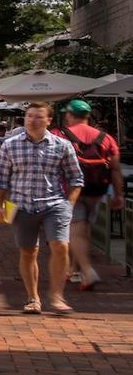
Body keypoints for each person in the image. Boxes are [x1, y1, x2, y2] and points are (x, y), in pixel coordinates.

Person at [0, 101, 85, 315]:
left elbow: (76, 178)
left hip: (54, 204)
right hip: (20, 204)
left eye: (38, 116)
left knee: (60, 246)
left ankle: (57, 296)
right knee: (28, 251)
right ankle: (33, 298)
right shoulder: (10, 145)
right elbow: (1, 179)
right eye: (29, 116)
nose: (32, 120)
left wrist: (68, 204)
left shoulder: (62, 145)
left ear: (48, 120)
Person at [52, 99, 122, 291]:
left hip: (69, 189)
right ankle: (75, 269)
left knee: (74, 228)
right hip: (96, 190)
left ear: (69, 115)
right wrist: (118, 195)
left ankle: (88, 271)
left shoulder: (59, 135)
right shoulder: (106, 138)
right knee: (85, 228)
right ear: (88, 116)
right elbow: (115, 169)